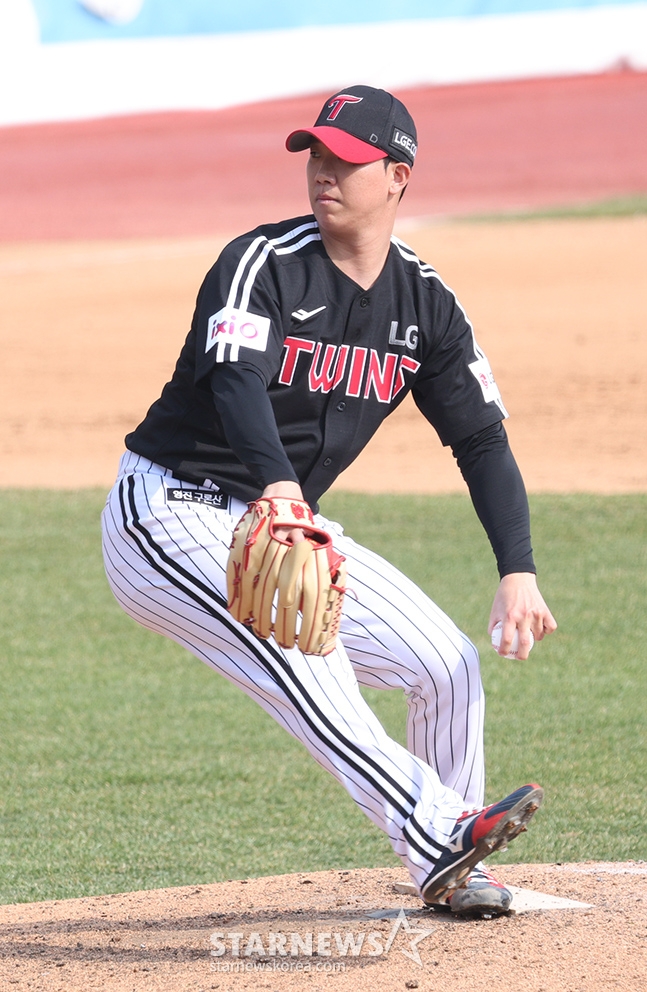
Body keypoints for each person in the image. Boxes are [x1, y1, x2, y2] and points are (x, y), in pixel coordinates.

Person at [101, 85, 557, 917]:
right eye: (315, 154)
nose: (323, 172)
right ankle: (439, 829)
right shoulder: (263, 261)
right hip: (168, 511)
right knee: (307, 661)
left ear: (397, 176)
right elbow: (234, 380)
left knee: (445, 665)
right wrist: (279, 488)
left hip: (284, 528)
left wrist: (516, 568)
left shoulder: (424, 303)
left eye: (345, 160)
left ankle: (456, 864)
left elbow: (481, 440)